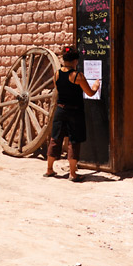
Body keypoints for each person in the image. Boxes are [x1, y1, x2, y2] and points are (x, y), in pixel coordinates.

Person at [45, 46, 100, 182]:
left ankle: (49, 169)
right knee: (73, 141)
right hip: (74, 112)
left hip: (60, 110)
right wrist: (96, 86)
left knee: (55, 139)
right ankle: (73, 173)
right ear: (75, 61)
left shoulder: (57, 74)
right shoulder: (77, 76)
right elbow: (90, 93)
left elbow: (58, 89)